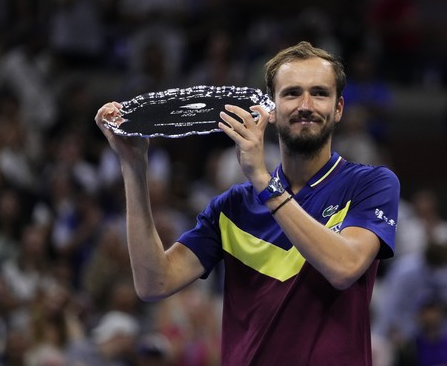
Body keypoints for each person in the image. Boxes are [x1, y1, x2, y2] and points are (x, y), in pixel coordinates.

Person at [94, 41, 400, 365]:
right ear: (271, 108)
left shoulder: (370, 184)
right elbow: (154, 282)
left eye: (320, 93)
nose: (306, 105)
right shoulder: (233, 207)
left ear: (338, 108)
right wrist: (133, 166)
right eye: (292, 93)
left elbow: (344, 268)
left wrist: (264, 182)